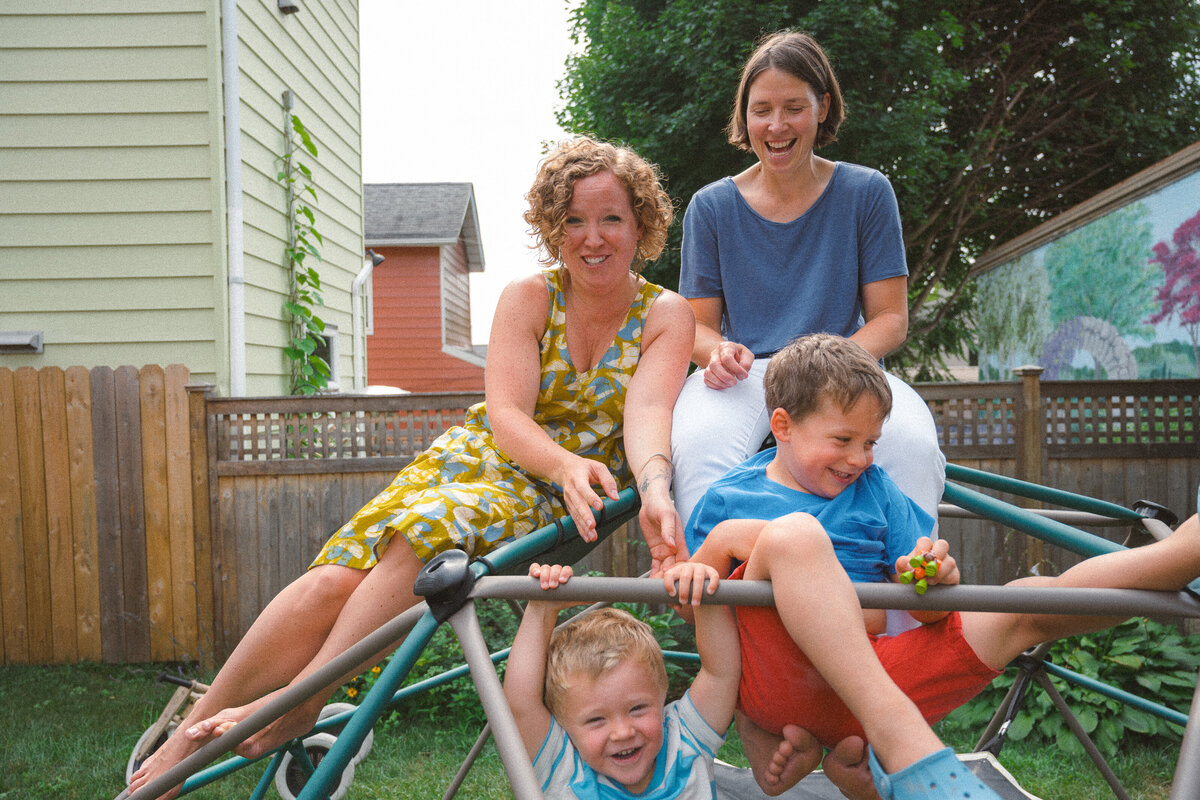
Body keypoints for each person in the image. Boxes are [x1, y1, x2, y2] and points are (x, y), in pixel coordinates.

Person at [128, 137, 696, 800]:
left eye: (611, 219)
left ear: (641, 223)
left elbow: (649, 412)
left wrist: (651, 485)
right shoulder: (530, 296)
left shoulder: (664, 314)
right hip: (483, 457)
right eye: (573, 220)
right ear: (552, 227)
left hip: (553, 499)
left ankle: (306, 701)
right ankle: (184, 742)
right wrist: (564, 459)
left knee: (424, 528)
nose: (592, 237)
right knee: (331, 580)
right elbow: (507, 415)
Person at [683, 334, 1200, 800]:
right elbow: (695, 606)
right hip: (782, 681)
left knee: (1024, 601)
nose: (860, 458)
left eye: (870, 443)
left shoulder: (877, 491)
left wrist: (935, 578)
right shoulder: (733, 496)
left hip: (869, 681)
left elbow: (925, 611)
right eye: (843, 440)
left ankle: (1176, 556)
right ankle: (888, 737)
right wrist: (731, 543)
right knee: (794, 535)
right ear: (783, 426)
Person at [670, 30, 945, 537]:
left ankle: (908, 596)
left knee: (912, 445)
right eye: (761, 109)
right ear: (744, 116)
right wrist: (719, 352)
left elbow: (890, 318)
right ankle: (713, 591)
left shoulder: (867, 192)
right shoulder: (710, 206)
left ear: (823, 106)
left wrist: (836, 364)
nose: (776, 125)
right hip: (749, 372)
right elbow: (697, 327)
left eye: (793, 107)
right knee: (697, 445)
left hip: (847, 360)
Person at [504, 561, 739, 798]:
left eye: (637, 708)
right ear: (563, 723)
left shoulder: (687, 740)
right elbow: (521, 704)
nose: (622, 732)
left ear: (662, 693)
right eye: (596, 720)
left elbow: (720, 673)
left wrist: (702, 593)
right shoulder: (564, 769)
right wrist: (540, 609)